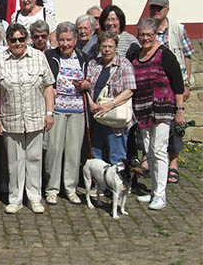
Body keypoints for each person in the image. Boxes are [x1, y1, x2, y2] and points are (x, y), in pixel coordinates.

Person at [0, 24, 55, 214]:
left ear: (26, 39)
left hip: (35, 116)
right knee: (14, 161)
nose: (17, 43)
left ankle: (34, 197)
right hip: (11, 118)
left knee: (34, 158)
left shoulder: (38, 57)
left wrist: (49, 113)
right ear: (7, 41)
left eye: (20, 39)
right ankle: (15, 198)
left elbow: (48, 86)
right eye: (12, 40)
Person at [129, 18, 184, 211]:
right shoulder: (135, 55)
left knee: (159, 149)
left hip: (162, 108)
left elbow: (178, 83)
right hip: (142, 109)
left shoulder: (164, 54)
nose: (145, 38)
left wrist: (180, 110)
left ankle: (161, 194)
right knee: (148, 149)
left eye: (149, 35)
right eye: (142, 34)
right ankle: (153, 191)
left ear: (155, 35)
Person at [148, 0, 194, 184]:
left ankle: (173, 164)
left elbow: (188, 55)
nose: (156, 11)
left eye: (160, 8)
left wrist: (186, 83)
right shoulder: (147, 29)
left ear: (167, 9)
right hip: (154, 87)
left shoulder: (177, 28)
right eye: (153, 8)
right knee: (152, 124)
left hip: (173, 86)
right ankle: (149, 160)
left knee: (175, 124)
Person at [44, 22, 90, 206]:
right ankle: (52, 189)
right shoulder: (50, 56)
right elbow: (45, 79)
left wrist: (86, 84)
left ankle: (70, 188)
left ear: (75, 40)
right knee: (54, 150)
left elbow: (89, 78)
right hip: (57, 109)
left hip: (77, 109)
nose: (65, 44)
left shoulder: (84, 57)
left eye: (69, 40)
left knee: (73, 151)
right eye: (61, 40)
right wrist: (51, 89)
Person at [86, 31, 136, 165]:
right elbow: (87, 87)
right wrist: (91, 104)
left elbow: (129, 90)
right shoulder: (93, 64)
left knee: (116, 155)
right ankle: (100, 185)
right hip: (97, 115)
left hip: (115, 117)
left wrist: (110, 105)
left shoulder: (124, 64)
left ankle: (117, 184)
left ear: (116, 48)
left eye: (110, 46)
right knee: (97, 154)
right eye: (104, 46)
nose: (107, 50)